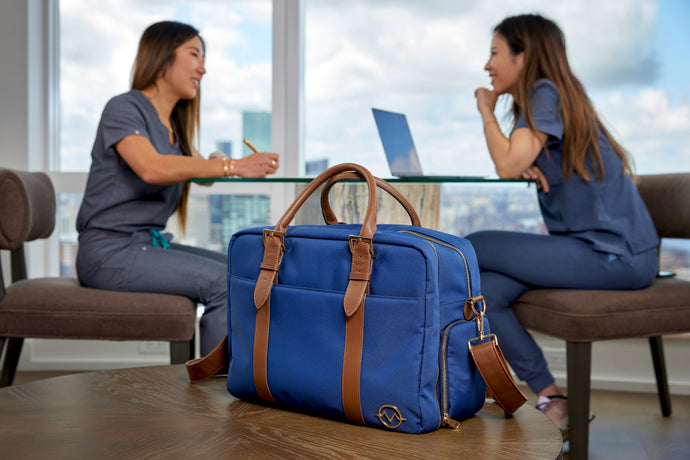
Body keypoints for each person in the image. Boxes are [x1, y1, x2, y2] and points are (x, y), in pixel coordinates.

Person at [469, 14, 659, 433]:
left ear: (524, 56)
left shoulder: (544, 91)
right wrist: (531, 163)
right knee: (484, 289)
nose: (487, 65)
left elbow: (505, 163)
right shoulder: (553, 99)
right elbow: (518, 161)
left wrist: (485, 109)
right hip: (594, 251)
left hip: (615, 255)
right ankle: (551, 397)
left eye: (495, 53)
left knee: (469, 246)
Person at [76, 21, 279, 357]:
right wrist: (233, 165)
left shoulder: (175, 126)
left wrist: (217, 162)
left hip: (147, 245)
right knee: (222, 283)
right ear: (162, 56)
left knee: (243, 267)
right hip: (107, 253)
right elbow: (152, 167)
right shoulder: (124, 108)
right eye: (194, 54)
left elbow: (201, 173)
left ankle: (253, 372)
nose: (203, 67)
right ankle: (214, 394)